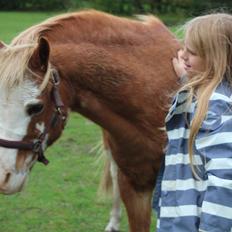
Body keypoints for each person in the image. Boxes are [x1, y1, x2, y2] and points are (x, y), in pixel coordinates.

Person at [153, 13, 232, 232]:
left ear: (217, 59)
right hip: (180, 217)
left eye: (192, 52)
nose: (182, 55)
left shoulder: (216, 107)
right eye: (184, 47)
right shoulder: (207, 97)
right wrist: (186, 78)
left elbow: (226, 177)